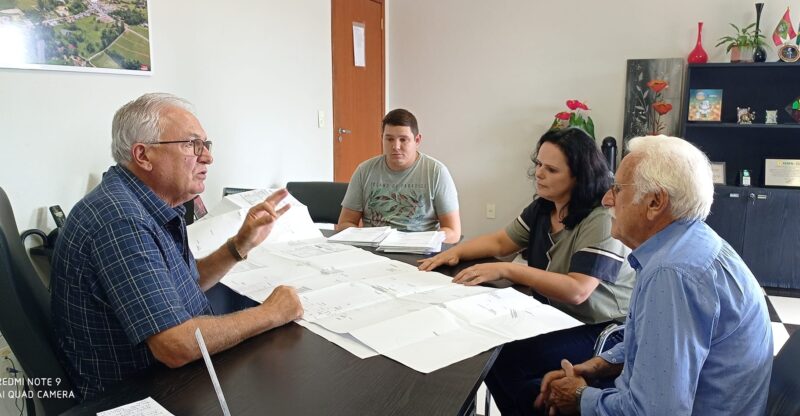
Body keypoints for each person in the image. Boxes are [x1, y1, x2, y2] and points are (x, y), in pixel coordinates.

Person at [50, 93, 304, 400]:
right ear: (143, 155)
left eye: (206, 145)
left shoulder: (146, 203)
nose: (207, 157)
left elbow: (183, 283)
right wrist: (273, 312)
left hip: (167, 377)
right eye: (191, 145)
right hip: (138, 393)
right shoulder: (120, 220)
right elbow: (176, 345)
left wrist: (239, 246)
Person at [537, 135, 773, 415]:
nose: (607, 198)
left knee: (528, 390)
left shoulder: (672, 272)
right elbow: (653, 345)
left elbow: (654, 412)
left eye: (618, 189)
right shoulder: (687, 243)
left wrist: (578, 398)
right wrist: (597, 365)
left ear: (655, 202)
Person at [418, 128, 635, 415]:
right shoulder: (544, 208)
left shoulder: (601, 218)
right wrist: (454, 252)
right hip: (559, 316)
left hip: (602, 325)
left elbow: (577, 290)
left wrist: (509, 269)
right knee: (491, 348)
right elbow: (500, 241)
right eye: (538, 165)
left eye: (551, 169)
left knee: (507, 357)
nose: (539, 174)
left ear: (578, 175)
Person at [337, 108, 461, 243]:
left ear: (417, 140)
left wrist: (419, 242)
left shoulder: (437, 172)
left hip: (419, 251)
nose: (396, 146)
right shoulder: (364, 170)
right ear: (382, 138)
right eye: (389, 139)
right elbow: (345, 223)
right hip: (373, 249)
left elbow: (453, 231)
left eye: (403, 139)